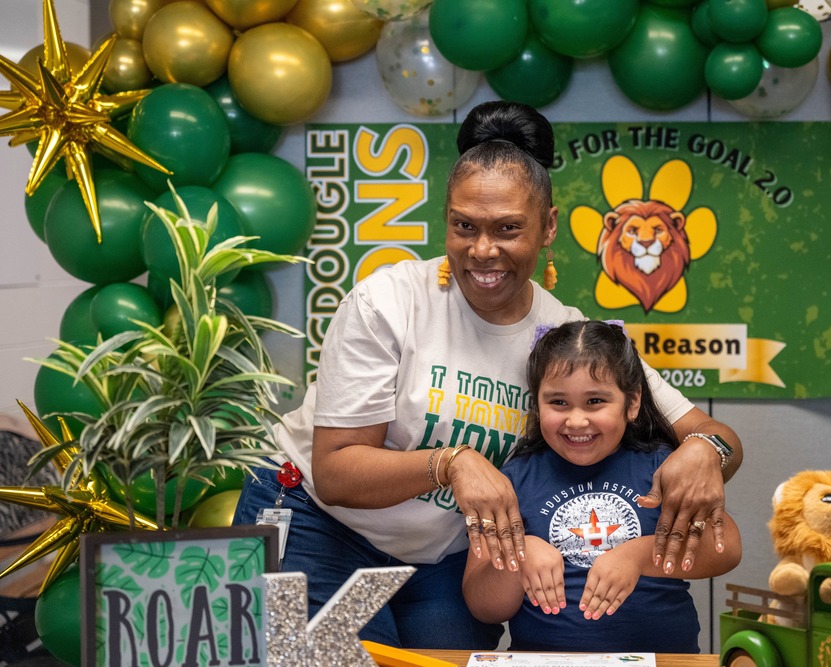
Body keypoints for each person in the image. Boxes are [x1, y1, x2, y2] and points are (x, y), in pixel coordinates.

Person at [232, 100, 743, 649]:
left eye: (507, 229)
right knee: (338, 662)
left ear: (548, 227)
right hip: (317, 522)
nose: (482, 250)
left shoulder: (563, 337)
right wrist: (453, 463)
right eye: (464, 226)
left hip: (440, 558)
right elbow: (335, 472)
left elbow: (718, 438)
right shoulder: (388, 301)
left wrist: (704, 452)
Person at [462, 320, 742, 653]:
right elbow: (483, 606)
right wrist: (518, 557)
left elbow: (728, 548)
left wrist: (639, 556)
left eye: (595, 401)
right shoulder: (515, 477)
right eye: (558, 403)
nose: (576, 420)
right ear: (536, 405)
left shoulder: (663, 466)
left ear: (633, 402)